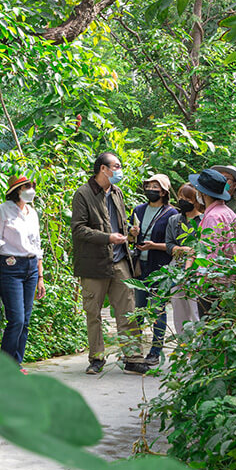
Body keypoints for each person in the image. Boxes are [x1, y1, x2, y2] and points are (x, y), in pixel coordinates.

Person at [71, 153, 142, 375]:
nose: (120, 170)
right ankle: (96, 358)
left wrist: (129, 231)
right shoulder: (83, 194)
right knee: (93, 312)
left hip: (120, 259)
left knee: (128, 310)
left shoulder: (117, 192)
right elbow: (79, 229)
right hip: (94, 263)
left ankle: (133, 356)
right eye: (117, 166)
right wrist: (108, 237)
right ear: (103, 169)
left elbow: (119, 222)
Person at [0, 175, 45, 373]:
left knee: (25, 321)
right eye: (27, 186)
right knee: (16, 319)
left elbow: (37, 246)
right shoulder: (1, 211)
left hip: (31, 267)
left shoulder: (32, 213)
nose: (31, 190)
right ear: (16, 190)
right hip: (10, 267)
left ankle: (16, 363)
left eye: (32, 186)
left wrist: (41, 277)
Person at [128, 174, 178, 367]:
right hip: (140, 267)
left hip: (160, 268)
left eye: (155, 186)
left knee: (158, 310)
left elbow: (173, 244)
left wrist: (153, 246)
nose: (150, 189)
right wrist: (132, 235)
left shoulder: (171, 214)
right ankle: (134, 352)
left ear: (164, 191)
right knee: (138, 310)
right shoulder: (138, 210)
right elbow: (131, 239)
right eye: (148, 185)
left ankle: (155, 351)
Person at [188, 168, 236, 318]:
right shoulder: (229, 213)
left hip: (213, 285)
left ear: (203, 193)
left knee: (212, 330)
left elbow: (210, 253)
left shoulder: (214, 217)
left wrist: (200, 281)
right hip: (228, 282)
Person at [166, 183, 204, 347]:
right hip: (176, 269)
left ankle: (201, 347)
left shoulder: (203, 220)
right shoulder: (174, 220)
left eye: (187, 198)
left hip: (197, 270)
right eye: (180, 197)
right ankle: (184, 346)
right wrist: (179, 249)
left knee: (196, 310)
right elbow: (168, 244)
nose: (182, 201)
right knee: (179, 310)